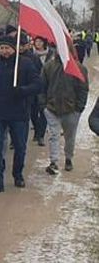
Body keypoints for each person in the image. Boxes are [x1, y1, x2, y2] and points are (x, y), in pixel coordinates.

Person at [0, 34, 43, 193]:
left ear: (14, 49)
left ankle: (17, 174)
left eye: (8, 48)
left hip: (19, 113)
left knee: (20, 147)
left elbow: (38, 84)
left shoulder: (25, 64)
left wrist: (22, 91)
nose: (4, 51)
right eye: (2, 48)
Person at [41, 44, 89, 174]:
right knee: (53, 135)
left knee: (70, 137)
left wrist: (79, 108)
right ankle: (54, 162)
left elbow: (83, 89)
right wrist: (44, 105)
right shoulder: (49, 66)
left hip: (71, 109)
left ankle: (68, 158)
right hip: (52, 108)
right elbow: (42, 87)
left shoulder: (79, 68)